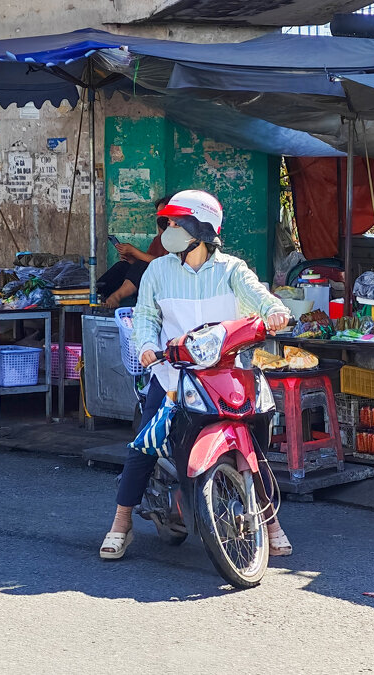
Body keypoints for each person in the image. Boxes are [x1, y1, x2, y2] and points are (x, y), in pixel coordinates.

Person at [100, 190, 293, 561]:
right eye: (167, 224)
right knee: (144, 443)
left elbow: (260, 296)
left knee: (251, 446)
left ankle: (271, 524)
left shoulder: (232, 270)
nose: (168, 230)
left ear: (199, 228)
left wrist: (275, 310)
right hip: (173, 375)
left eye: (175, 223)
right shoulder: (158, 269)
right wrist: (144, 346)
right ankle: (120, 524)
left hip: (227, 373)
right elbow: (145, 317)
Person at [96, 200, 171, 309]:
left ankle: (116, 297)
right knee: (122, 266)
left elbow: (162, 263)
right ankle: (97, 295)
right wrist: (132, 258)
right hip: (148, 280)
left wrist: (134, 251)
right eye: (158, 214)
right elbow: (149, 260)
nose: (159, 218)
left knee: (141, 265)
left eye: (163, 214)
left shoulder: (177, 240)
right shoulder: (158, 240)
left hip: (165, 283)